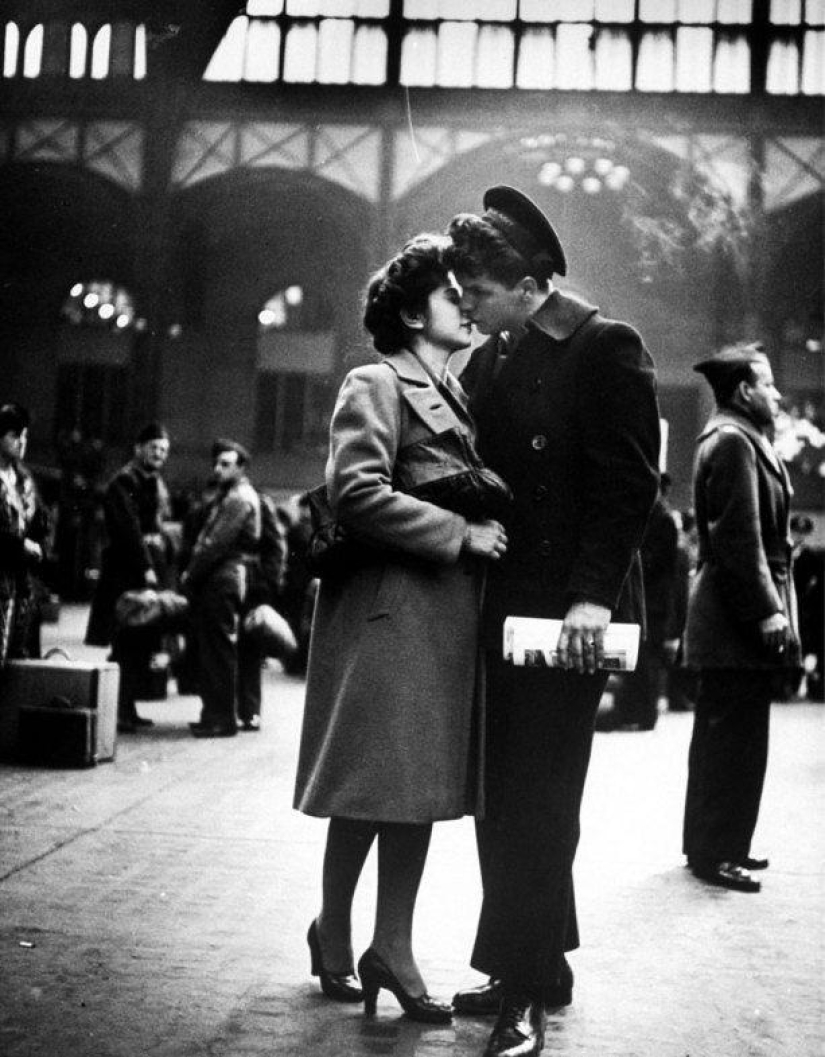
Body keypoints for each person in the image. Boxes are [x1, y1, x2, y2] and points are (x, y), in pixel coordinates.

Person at [445, 186, 660, 1057]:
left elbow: (628, 486)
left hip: (566, 615)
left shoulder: (605, 346)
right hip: (502, 605)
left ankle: (525, 989)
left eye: (478, 291)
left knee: (541, 799)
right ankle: (534, 962)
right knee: (502, 795)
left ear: (529, 286)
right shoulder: (493, 355)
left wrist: (590, 595)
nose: (465, 304)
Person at [293, 235, 508, 1024]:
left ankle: (376, 939)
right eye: (453, 295)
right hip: (389, 615)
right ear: (414, 314)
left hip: (433, 620)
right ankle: (355, 934)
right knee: (378, 784)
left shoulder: (451, 393)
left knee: (407, 787)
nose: (467, 306)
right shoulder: (376, 381)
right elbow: (354, 491)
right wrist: (459, 533)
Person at [682, 343, 800, 893]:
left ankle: (713, 844)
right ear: (745, 390)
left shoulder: (737, 438)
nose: (777, 394)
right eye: (768, 384)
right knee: (734, 741)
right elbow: (739, 539)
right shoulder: (734, 442)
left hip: (728, 616)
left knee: (724, 737)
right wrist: (767, 610)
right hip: (735, 618)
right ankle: (717, 853)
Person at [85, 423, 172, 732]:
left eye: (163, 450)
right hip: (127, 572)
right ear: (138, 448)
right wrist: (146, 566)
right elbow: (128, 529)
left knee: (141, 641)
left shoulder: (154, 482)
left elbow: (159, 526)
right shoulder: (124, 481)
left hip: (146, 570)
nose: (158, 454)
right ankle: (119, 709)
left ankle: (130, 707)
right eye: (153, 448)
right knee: (125, 641)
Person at [181, 439, 260, 738]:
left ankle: (221, 719)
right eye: (216, 463)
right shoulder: (231, 495)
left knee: (218, 652)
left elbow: (215, 544)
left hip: (223, 577)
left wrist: (190, 575)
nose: (218, 469)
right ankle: (213, 715)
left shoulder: (238, 498)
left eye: (226, 464)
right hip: (223, 577)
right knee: (215, 650)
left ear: (241, 468)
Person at [600, 471, 680, 731]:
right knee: (639, 660)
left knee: (647, 661)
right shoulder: (652, 515)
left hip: (655, 602)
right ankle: (633, 711)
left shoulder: (663, 519)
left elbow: (657, 562)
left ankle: (644, 714)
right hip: (648, 600)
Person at [236, 489, 287, 731]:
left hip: (251, 587)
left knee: (248, 649)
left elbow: (276, 547)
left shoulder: (258, 503)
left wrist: (267, 585)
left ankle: (249, 711)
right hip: (235, 585)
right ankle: (239, 711)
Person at [0, 404, 44, 665]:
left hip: (22, 583)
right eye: (14, 435)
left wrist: (38, 543)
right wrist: (19, 545)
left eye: (24, 435)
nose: (21, 442)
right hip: (2, 574)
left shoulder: (23, 479)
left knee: (19, 663)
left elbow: (42, 522)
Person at [790, 514, 824, 701]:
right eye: (796, 532)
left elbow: (814, 585)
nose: (799, 536)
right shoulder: (784, 553)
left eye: (803, 533)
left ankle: (808, 686)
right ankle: (788, 685)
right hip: (788, 607)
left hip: (806, 610)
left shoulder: (812, 557)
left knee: (807, 647)